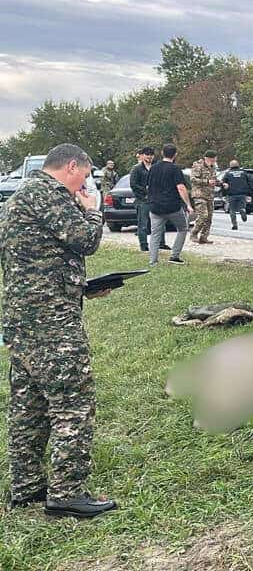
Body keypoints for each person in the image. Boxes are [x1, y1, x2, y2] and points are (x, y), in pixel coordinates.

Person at [0, 143, 117, 518]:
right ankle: (67, 493)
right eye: (84, 177)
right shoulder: (50, 195)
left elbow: (33, 262)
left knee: (28, 406)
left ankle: (27, 487)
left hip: (22, 320)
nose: (84, 185)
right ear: (71, 167)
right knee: (73, 404)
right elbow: (85, 240)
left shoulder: (18, 199)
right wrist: (93, 213)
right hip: (52, 325)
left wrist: (80, 288)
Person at [147, 144, 193, 266]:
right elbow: (181, 188)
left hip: (155, 207)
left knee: (155, 234)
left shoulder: (153, 168)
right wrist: (188, 204)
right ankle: (174, 255)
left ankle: (153, 261)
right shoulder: (175, 169)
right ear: (175, 154)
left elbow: (149, 186)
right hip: (172, 207)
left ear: (162, 153)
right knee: (183, 228)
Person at [128, 147, 161, 252]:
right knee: (143, 224)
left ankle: (160, 243)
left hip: (155, 199)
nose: (149, 157)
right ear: (143, 156)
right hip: (142, 200)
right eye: (147, 155)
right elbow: (133, 184)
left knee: (159, 223)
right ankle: (143, 245)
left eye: (151, 155)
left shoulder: (155, 167)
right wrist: (145, 191)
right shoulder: (137, 168)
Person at [189, 150, 219, 244]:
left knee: (209, 217)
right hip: (199, 194)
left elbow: (213, 179)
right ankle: (194, 233)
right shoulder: (198, 165)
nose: (215, 160)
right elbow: (193, 179)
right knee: (203, 215)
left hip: (209, 195)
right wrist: (206, 181)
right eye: (214, 158)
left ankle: (204, 237)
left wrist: (221, 183)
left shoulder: (213, 167)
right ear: (209, 158)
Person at [221, 160, 252, 230]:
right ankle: (242, 210)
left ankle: (234, 225)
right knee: (242, 206)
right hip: (242, 194)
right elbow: (251, 183)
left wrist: (223, 194)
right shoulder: (244, 173)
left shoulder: (228, 173)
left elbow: (223, 184)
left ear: (230, 166)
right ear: (238, 165)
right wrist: (250, 193)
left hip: (231, 194)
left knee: (232, 210)